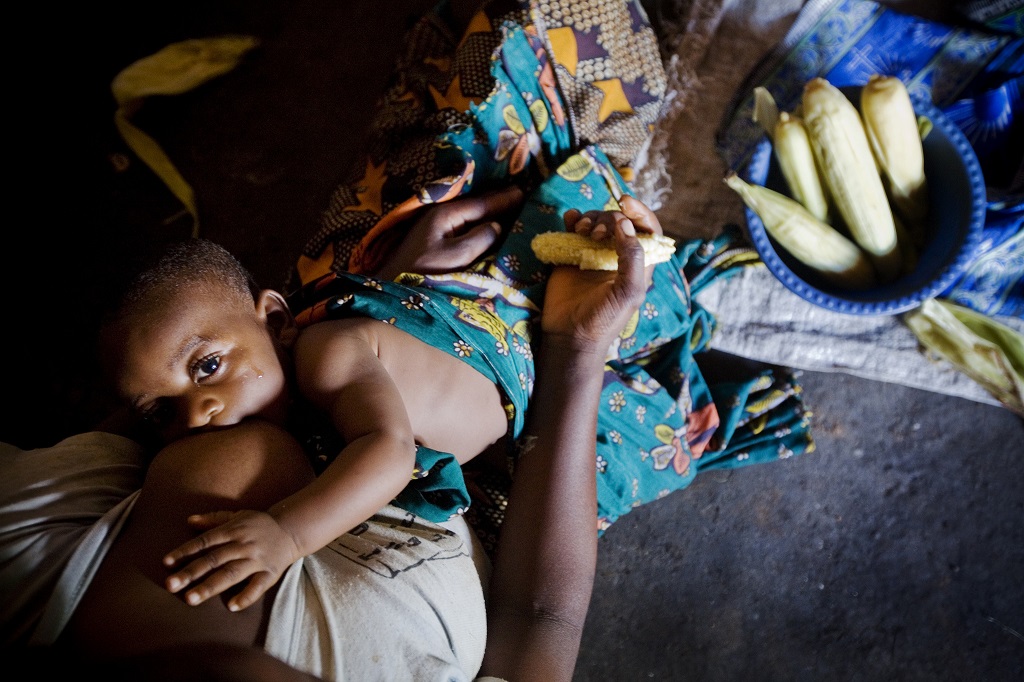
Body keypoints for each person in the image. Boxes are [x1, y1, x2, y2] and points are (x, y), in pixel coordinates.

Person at [6, 214, 649, 682]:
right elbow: (545, 618)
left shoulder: (321, 352)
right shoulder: (289, 373)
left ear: (279, 322)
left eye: (206, 369)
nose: (197, 413)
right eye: (159, 412)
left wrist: (286, 533)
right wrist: (579, 353)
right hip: (511, 400)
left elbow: (390, 451)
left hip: (487, 353)